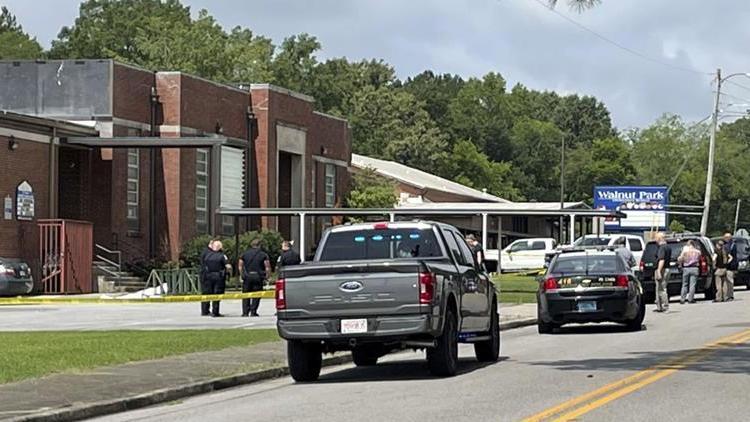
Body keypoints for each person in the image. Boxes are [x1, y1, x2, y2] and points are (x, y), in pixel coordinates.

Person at [239, 239, 271, 317]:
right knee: (257, 294)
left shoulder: (244, 254)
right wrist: (267, 276)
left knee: (246, 294)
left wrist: (242, 275)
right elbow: (267, 267)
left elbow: (240, 266)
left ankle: (245, 312)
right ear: (259, 245)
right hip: (258, 276)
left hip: (247, 276)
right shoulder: (263, 255)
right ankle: (253, 311)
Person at [202, 240, 231, 317]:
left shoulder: (207, 255)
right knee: (217, 294)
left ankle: (205, 310)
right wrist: (228, 273)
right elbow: (228, 266)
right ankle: (215, 311)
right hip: (219, 277)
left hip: (208, 276)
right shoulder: (222, 256)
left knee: (207, 293)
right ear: (220, 248)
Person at [677, 240, 701, 304]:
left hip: (686, 268)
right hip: (695, 268)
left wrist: (680, 263)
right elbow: (699, 259)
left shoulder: (685, 251)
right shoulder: (698, 252)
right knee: (692, 285)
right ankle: (690, 299)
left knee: (684, 284)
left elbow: (680, 259)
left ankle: (682, 299)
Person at [653, 232, 671, 313]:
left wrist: (659, 271)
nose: (655, 240)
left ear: (659, 238)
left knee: (662, 289)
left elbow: (661, 259)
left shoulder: (662, 248)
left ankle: (665, 306)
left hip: (662, 269)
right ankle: (659, 307)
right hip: (667, 268)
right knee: (658, 288)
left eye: (656, 238)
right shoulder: (668, 247)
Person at [199, 239, 217, 316]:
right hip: (207, 276)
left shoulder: (205, 252)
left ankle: (205, 310)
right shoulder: (209, 253)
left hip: (204, 275)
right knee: (207, 293)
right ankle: (205, 310)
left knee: (206, 293)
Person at [723, 232, 737, 301]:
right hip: (732, 266)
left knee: (729, 281)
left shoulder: (727, 246)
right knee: (730, 281)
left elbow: (728, 256)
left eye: (725, 237)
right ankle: (729, 295)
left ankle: (729, 295)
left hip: (729, 266)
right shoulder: (734, 245)